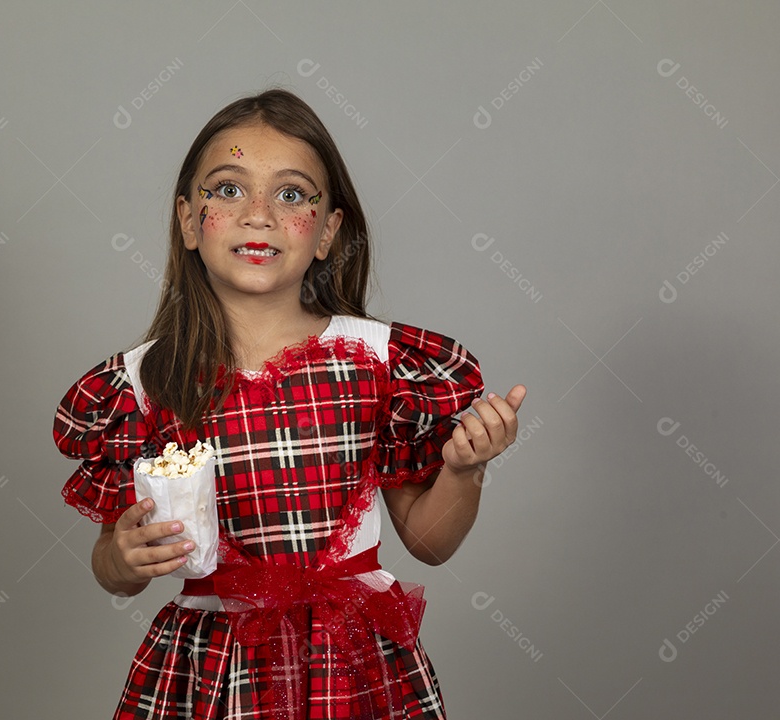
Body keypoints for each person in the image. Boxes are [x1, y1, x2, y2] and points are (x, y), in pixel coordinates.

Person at [53, 87, 527, 720]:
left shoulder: (380, 363)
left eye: (292, 194)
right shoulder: (143, 384)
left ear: (328, 231)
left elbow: (430, 544)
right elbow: (114, 567)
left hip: (352, 663)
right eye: (228, 189)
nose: (259, 215)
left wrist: (465, 470)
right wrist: (124, 556)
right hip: (214, 668)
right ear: (189, 220)